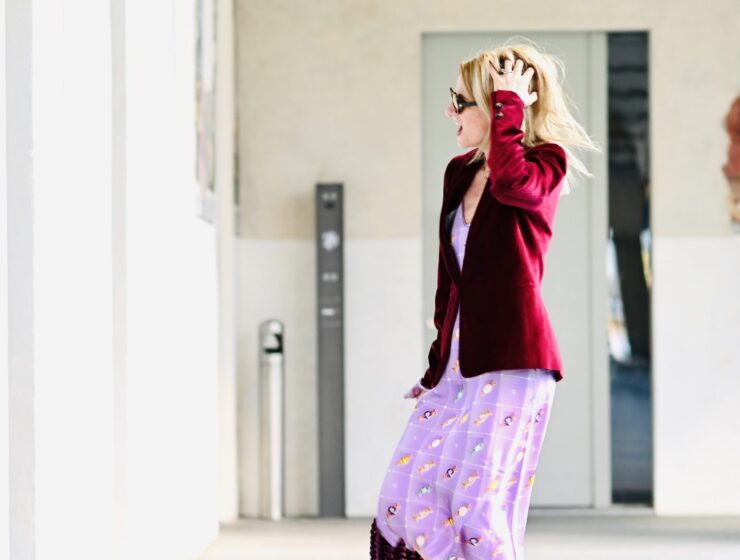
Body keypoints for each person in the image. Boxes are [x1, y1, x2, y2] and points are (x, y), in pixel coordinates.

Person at [369, 42, 599, 560]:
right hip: (456, 366)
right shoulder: (458, 172)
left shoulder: (546, 164)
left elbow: (513, 183)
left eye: (461, 100)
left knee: (477, 513)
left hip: (513, 361)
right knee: (404, 500)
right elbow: (449, 281)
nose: (449, 110)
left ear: (501, 107)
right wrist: (436, 365)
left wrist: (507, 105)